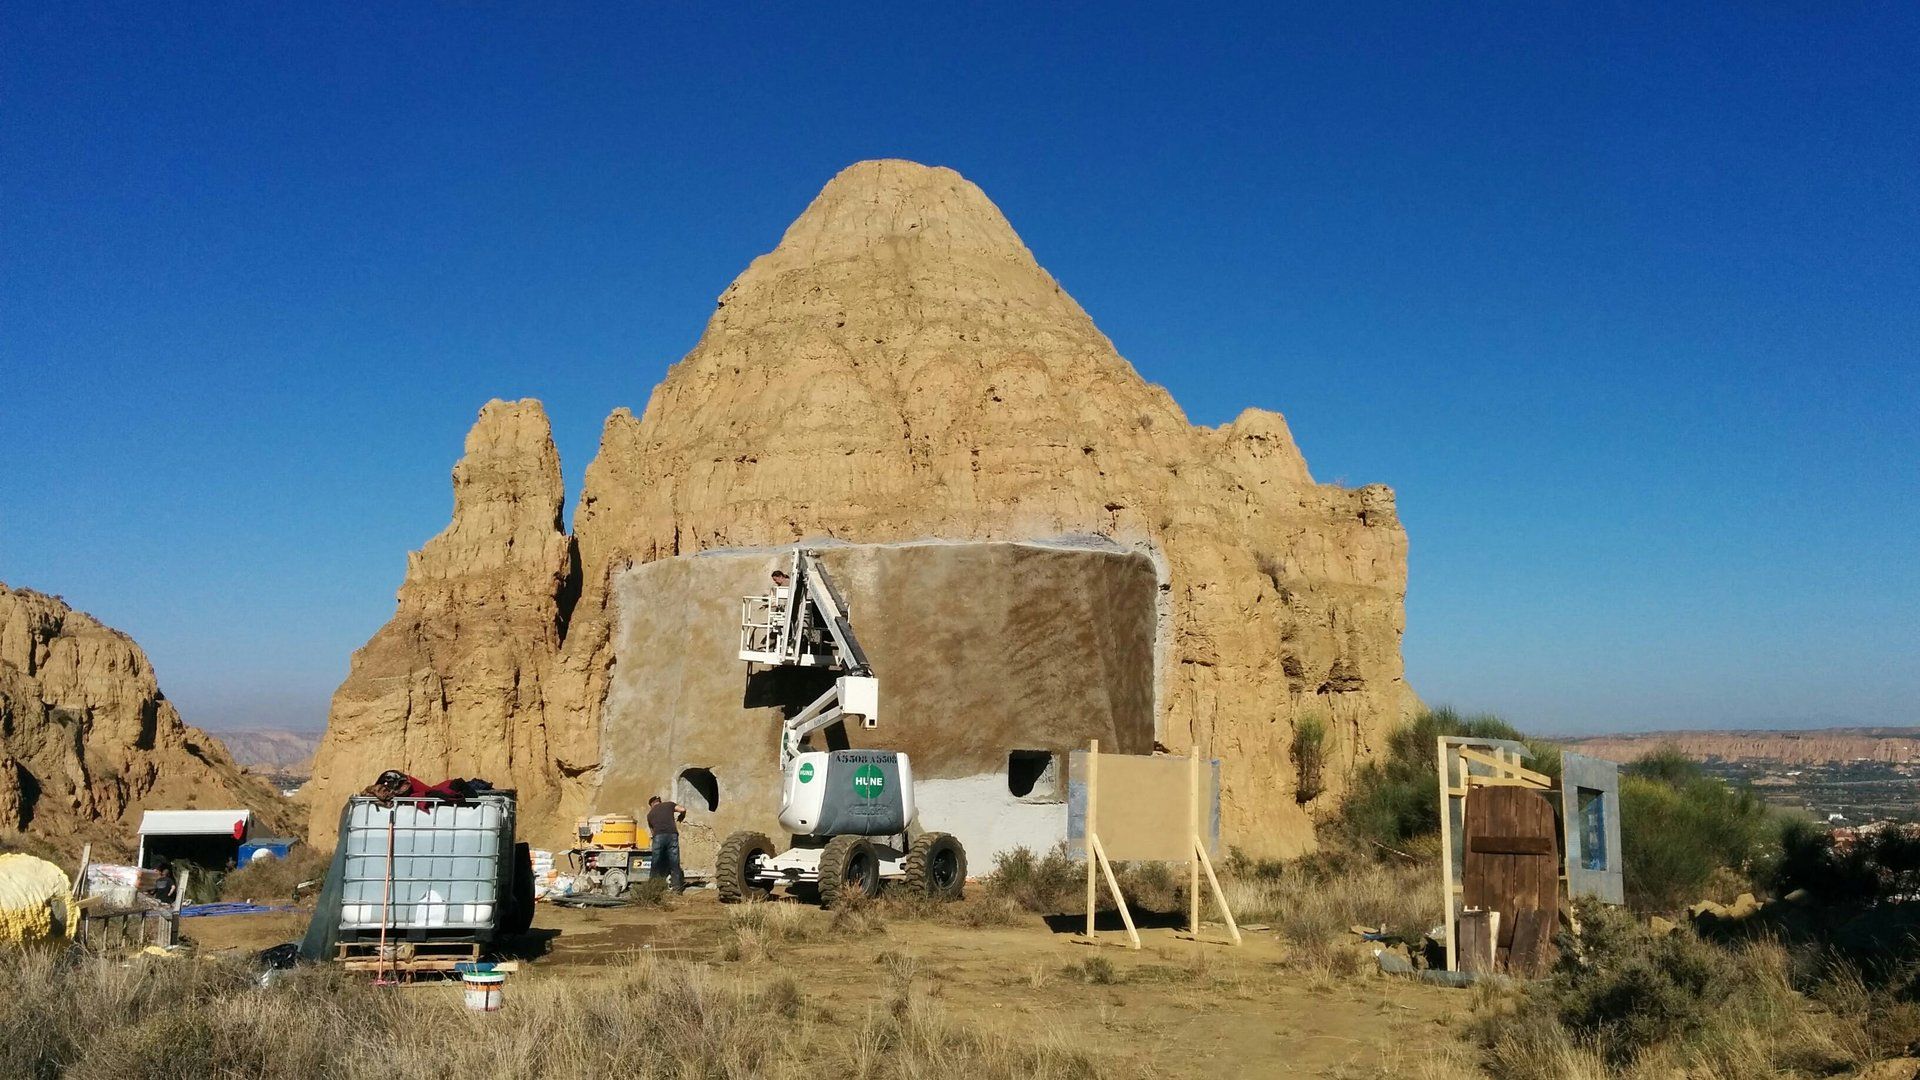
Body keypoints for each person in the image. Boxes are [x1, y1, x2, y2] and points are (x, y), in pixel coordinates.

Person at [646, 795, 686, 893]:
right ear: (659, 801)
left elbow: (652, 832)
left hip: (658, 837)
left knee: (655, 863)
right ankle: (677, 890)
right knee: (674, 862)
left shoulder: (650, 814)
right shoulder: (669, 804)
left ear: (651, 804)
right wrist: (682, 816)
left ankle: (652, 889)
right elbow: (683, 809)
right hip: (672, 835)